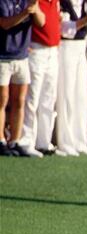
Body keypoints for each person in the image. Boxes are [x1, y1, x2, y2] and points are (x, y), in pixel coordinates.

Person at [56, 0, 87, 156]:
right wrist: (86, 20)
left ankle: (80, 140)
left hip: (81, 47)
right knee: (67, 95)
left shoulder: (84, 3)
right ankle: (65, 141)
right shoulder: (63, 3)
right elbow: (63, 29)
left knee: (81, 96)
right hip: (66, 47)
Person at [0, 0, 45, 157]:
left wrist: (36, 10)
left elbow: (42, 22)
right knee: (2, 100)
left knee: (20, 101)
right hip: (3, 56)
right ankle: (1, 141)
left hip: (22, 56)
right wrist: (25, 13)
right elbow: (4, 23)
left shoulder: (28, 1)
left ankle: (15, 140)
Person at [19, 0, 59, 156]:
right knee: (32, 98)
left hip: (53, 51)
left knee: (49, 99)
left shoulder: (55, 1)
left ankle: (44, 141)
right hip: (36, 50)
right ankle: (27, 140)